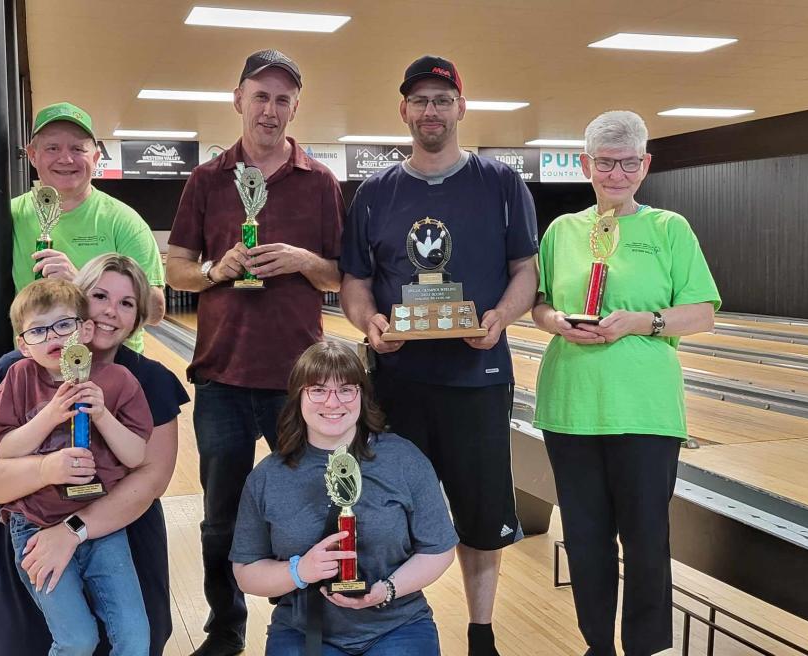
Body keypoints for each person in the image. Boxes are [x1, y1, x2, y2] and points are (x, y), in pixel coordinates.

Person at [339, 55, 538, 656]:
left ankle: (481, 633)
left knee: (480, 515)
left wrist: (501, 318)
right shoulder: (374, 194)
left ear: (461, 106)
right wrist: (370, 321)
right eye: (420, 100)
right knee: (393, 509)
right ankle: (398, 622)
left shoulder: (501, 183)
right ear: (403, 110)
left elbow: (525, 271)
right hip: (399, 380)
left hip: (479, 379)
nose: (432, 110)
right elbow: (355, 284)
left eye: (442, 100)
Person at [165, 49, 344, 656]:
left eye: (283, 98)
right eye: (260, 96)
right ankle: (226, 628)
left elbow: (339, 276)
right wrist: (218, 269)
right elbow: (177, 270)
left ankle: (303, 624)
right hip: (221, 377)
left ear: (296, 106)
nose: (271, 109)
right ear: (238, 99)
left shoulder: (319, 182)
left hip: (298, 381)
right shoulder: (206, 180)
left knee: (306, 511)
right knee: (220, 518)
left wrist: (302, 261)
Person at [532, 110, 720, 656]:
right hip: (570, 407)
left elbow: (702, 313)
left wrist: (646, 321)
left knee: (645, 541)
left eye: (628, 163)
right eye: (606, 163)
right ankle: (598, 645)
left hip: (645, 410)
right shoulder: (563, 231)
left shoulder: (669, 229)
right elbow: (539, 304)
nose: (616, 174)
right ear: (586, 164)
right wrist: (557, 324)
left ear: (646, 165)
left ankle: (644, 648)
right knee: (586, 539)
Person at [0, 254, 189, 655]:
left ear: (136, 318)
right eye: (99, 295)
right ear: (81, 302)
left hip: (115, 530)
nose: (110, 312)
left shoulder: (145, 381)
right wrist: (46, 469)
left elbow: (150, 478)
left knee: (135, 638)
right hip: (26, 530)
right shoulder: (12, 371)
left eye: (127, 303)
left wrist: (72, 531)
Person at [231, 341, 458, 655]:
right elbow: (246, 572)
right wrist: (300, 571)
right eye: (318, 390)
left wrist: (388, 589)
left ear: (362, 396)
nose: (333, 402)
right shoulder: (268, 476)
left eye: (346, 389)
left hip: (396, 626)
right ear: (298, 397)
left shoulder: (403, 458)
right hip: (303, 630)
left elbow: (439, 549)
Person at [0, 101, 166, 429]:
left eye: (78, 148)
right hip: (34, 382)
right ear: (33, 155)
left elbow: (156, 311)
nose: (66, 158)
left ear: (95, 158)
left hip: (113, 380)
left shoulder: (124, 221)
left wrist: (83, 282)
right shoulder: (5, 217)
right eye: (52, 147)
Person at [0, 277, 152, 654]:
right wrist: (49, 415)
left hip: (100, 523)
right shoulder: (17, 377)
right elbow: (4, 451)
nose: (53, 337)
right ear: (22, 346)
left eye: (64, 325)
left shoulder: (117, 380)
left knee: (134, 636)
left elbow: (135, 456)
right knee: (77, 639)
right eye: (39, 331)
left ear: (85, 329)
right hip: (34, 525)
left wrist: (104, 415)